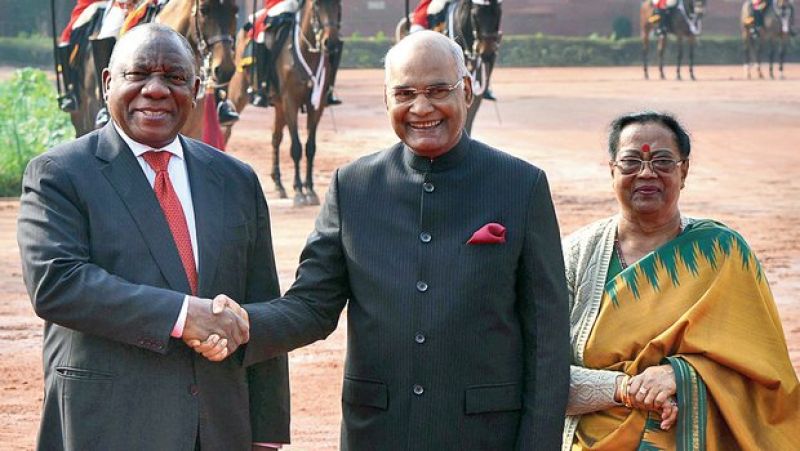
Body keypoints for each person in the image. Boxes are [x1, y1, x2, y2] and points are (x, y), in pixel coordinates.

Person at [193, 29, 570, 450]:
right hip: (377, 433)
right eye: (405, 92)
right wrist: (244, 324)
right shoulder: (353, 187)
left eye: (437, 90)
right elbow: (313, 305)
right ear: (387, 98)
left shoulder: (520, 186)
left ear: (465, 90)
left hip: (484, 435)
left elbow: (547, 342)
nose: (421, 107)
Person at [18, 23, 289, 450]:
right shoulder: (60, 174)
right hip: (109, 424)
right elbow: (57, 285)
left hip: (219, 427)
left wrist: (268, 431)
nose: (156, 90)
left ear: (196, 88)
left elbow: (260, 301)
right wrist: (183, 315)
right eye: (138, 74)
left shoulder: (236, 179)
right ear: (108, 82)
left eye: (174, 78)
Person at [561, 111, 800, 450]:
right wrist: (626, 389)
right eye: (631, 162)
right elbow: (543, 375)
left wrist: (682, 376)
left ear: (683, 170)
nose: (646, 173)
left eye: (662, 161)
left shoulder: (721, 252)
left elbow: (765, 373)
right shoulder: (574, 257)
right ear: (611, 170)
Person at [246, 0, 343, 107]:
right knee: (262, 35)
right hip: (281, 3)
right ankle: (263, 87)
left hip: (309, 3)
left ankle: (328, 88)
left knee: (333, 35)